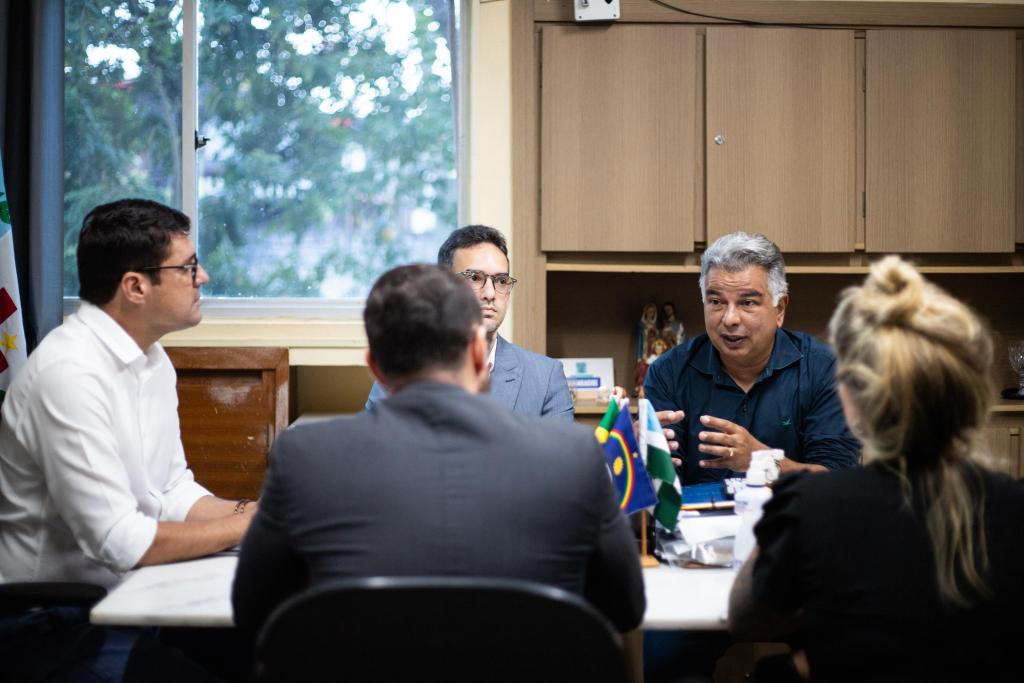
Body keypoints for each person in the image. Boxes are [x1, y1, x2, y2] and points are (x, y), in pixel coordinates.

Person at [234, 264, 644, 640]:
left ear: (374, 366)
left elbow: (255, 608)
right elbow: (624, 608)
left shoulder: (304, 457)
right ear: (480, 356)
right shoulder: (573, 454)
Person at [729, 256, 1024, 682]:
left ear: (850, 398)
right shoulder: (1014, 507)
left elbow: (746, 619)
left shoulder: (810, 504)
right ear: (971, 394)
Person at [0, 199, 256, 681]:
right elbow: (120, 542)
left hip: (130, 598)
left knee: (267, 650)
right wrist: (248, 527)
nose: (202, 278)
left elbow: (172, 489)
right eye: (189, 267)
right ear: (135, 286)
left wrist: (261, 513)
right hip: (48, 622)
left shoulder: (152, 360)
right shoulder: (68, 373)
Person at [644, 232, 859, 485]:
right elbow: (664, 488)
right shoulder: (668, 373)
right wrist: (638, 454)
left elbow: (838, 482)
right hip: (700, 522)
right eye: (716, 302)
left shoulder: (826, 370)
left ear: (780, 309)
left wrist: (763, 461)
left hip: (792, 521)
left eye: (747, 303)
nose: (730, 319)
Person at [364, 225, 574, 421]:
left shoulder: (545, 377)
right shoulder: (398, 372)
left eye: (501, 281)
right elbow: (378, 453)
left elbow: (562, 459)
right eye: (474, 278)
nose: (490, 294)